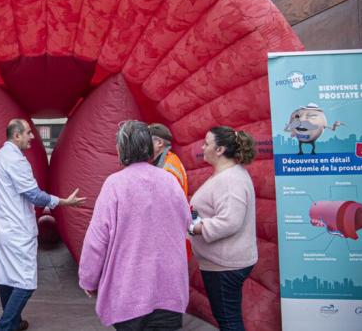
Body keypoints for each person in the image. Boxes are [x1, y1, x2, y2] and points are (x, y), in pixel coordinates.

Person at [78, 120, 190, 330]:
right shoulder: (170, 181)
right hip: (170, 288)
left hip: (130, 291)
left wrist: (88, 279)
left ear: (121, 148)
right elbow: (186, 222)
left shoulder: (115, 184)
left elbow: (97, 239)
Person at [0, 118, 85, 331]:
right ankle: (4, 327)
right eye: (29, 133)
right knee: (25, 283)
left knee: (6, 279)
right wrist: (63, 202)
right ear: (17, 136)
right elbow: (34, 195)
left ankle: (14, 322)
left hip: (2, 230)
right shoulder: (16, 161)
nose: (33, 137)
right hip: (17, 231)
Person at [189, 126, 258, 331]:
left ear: (219, 150)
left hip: (224, 265)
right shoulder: (227, 175)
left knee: (229, 321)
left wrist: (195, 227)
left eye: (207, 144)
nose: (203, 147)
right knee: (228, 318)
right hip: (222, 262)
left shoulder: (230, 180)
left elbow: (230, 221)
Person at [148, 123, 188, 196]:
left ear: (159, 143)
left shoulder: (167, 169)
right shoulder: (170, 160)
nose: (144, 145)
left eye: (147, 141)